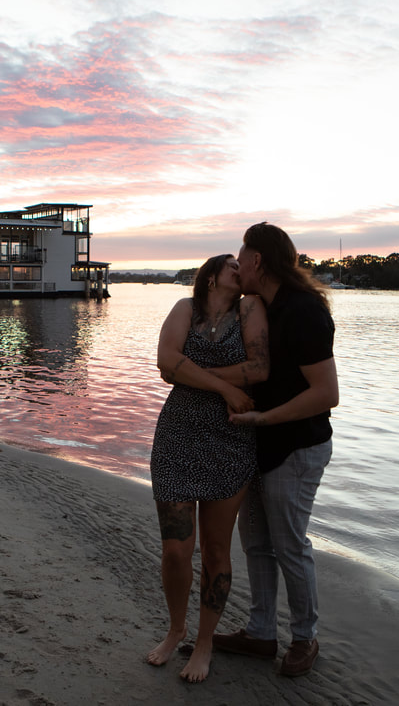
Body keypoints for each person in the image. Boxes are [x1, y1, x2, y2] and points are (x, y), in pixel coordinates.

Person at [213, 222, 339, 678]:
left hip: (296, 446)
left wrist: (263, 419)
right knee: (257, 545)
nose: (237, 264)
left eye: (241, 257)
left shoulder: (303, 310)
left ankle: (305, 638)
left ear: (258, 261)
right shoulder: (263, 306)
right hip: (259, 445)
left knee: (289, 545)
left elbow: (326, 393)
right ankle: (262, 632)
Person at [147, 254, 269, 683]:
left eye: (243, 263)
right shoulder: (185, 309)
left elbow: (259, 369)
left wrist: (190, 371)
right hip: (177, 437)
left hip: (230, 440)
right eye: (231, 264)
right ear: (212, 274)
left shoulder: (250, 309)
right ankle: (176, 628)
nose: (240, 269)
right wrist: (221, 385)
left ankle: (204, 643)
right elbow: (165, 361)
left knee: (217, 550)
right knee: (176, 548)